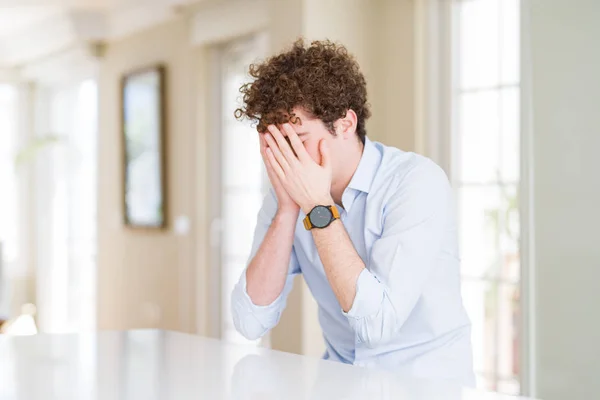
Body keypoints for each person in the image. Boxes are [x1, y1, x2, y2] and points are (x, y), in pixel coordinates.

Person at [231, 38, 474, 385]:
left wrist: (317, 207)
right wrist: (287, 210)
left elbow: (377, 326)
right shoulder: (287, 195)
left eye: (296, 139)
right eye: (276, 143)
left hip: (425, 384)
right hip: (341, 382)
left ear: (345, 124)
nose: (286, 158)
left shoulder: (416, 183)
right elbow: (250, 321)